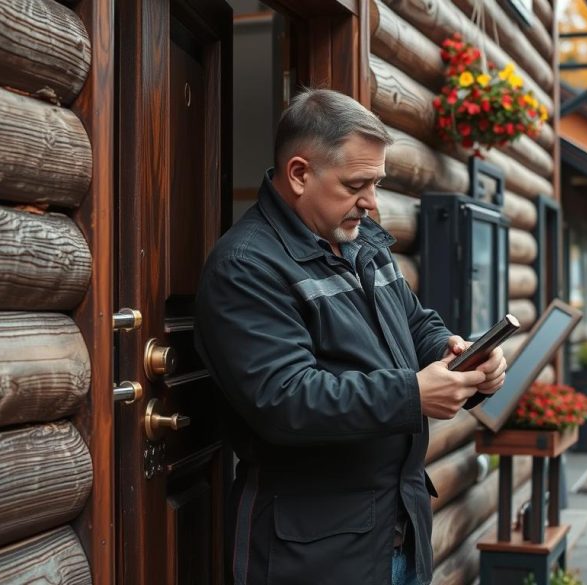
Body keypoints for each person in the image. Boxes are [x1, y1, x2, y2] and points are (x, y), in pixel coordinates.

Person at [194, 89, 507, 585]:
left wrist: (463, 358)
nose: (372, 202)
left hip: (396, 527)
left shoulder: (360, 242)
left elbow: (414, 322)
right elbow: (285, 398)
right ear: (299, 174)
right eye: (357, 184)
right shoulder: (245, 266)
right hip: (315, 551)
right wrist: (413, 393)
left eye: (377, 183)